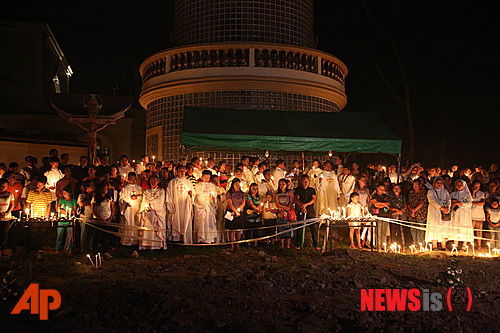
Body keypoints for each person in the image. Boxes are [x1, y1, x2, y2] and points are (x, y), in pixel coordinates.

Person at [166, 165, 195, 244]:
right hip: (176, 205)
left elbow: (193, 194)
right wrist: (171, 205)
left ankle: (185, 238)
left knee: (186, 220)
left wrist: (191, 194)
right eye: (180, 171)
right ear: (176, 172)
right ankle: (176, 238)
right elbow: (169, 195)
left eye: (183, 171)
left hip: (186, 205)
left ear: (186, 171)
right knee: (176, 220)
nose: (182, 173)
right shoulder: (172, 182)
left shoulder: (189, 182)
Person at [139, 175, 167, 250]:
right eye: (151, 180)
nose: (153, 182)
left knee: (158, 228)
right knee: (149, 227)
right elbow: (145, 201)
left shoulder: (161, 191)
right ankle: (148, 245)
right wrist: (146, 207)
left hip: (158, 213)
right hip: (149, 213)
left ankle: (158, 245)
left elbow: (160, 201)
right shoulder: (146, 191)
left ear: (158, 181)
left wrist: (150, 203)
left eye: (155, 180)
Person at [294, 175, 319, 250]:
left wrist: (306, 205)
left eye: (307, 181)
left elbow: (313, 199)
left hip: (310, 210)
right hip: (301, 209)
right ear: (301, 182)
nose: (305, 182)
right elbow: (296, 199)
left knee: (314, 227)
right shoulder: (298, 190)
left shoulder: (312, 190)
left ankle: (316, 244)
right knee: (300, 227)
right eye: (304, 181)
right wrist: (302, 206)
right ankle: (298, 244)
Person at [425, 177, 451, 250]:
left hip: (443, 212)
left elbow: (448, 200)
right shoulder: (431, 191)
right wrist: (440, 207)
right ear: (434, 183)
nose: (439, 184)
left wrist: (447, 208)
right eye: (437, 183)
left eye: (440, 183)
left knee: (444, 227)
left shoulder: (445, 191)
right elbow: (432, 201)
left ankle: (443, 245)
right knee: (434, 227)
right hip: (434, 211)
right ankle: (434, 245)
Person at [193, 171, 218, 244]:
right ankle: (200, 239)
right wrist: (206, 199)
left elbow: (214, 194)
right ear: (202, 176)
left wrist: (213, 198)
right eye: (205, 177)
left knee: (210, 222)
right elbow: (198, 195)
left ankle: (210, 239)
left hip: (210, 206)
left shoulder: (212, 185)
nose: (207, 179)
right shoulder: (198, 185)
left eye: (208, 177)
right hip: (202, 206)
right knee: (202, 222)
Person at [91, 181, 116, 253]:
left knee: (105, 237)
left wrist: (110, 218)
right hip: (98, 220)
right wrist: (101, 219)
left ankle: (105, 251)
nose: (107, 190)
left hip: (107, 219)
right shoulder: (95, 198)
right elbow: (94, 211)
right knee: (97, 236)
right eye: (105, 188)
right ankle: (95, 252)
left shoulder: (109, 198)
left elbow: (112, 208)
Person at [119, 172, 143, 246]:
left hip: (136, 208)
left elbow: (142, 197)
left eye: (134, 179)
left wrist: (137, 197)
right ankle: (127, 241)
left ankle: (136, 240)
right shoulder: (125, 188)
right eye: (131, 179)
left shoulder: (139, 188)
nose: (133, 181)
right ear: (128, 179)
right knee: (128, 223)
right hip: (128, 209)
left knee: (136, 222)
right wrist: (126, 202)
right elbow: (121, 198)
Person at [450, 179, 474, 250]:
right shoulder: (453, 194)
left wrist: (459, 203)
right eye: (457, 185)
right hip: (456, 213)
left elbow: (469, 204)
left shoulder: (467, 194)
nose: (459, 186)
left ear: (463, 186)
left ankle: (464, 245)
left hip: (464, 214)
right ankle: (455, 245)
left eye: (460, 185)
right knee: (456, 227)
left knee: (464, 227)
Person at [225, 178, 246, 251]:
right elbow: (230, 203)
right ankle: (231, 244)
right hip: (231, 212)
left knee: (238, 229)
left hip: (239, 212)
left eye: (238, 184)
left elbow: (243, 203)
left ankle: (237, 244)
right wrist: (234, 211)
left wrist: (237, 211)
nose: (237, 186)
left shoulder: (242, 193)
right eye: (236, 184)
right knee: (231, 229)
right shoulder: (229, 193)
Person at [55, 186, 77, 255]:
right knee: (59, 234)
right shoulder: (61, 200)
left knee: (69, 235)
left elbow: (74, 211)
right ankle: (57, 249)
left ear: (69, 193)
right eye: (63, 192)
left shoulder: (73, 200)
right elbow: (57, 209)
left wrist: (69, 212)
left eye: (65, 192)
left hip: (69, 220)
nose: (64, 194)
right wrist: (62, 211)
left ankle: (69, 249)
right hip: (61, 219)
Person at [407, 179, 428, 246]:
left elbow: (422, 202)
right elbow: (408, 203)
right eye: (414, 185)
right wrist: (412, 211)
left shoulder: (423, 193)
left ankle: (421, 244)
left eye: (417, 185)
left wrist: (414, 210)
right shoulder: (411, 193)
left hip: (420, 213)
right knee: (413, 229)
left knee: (420, 229)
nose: (415, 186)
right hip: (412, 214)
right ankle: (415, 243)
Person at [371, 182, 391, 249]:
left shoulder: (385, 196)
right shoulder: (374, 196)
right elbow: (376, 204)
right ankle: (378, 245)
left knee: (384, 231)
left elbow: (388, 203)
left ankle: (383, 245)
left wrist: (381, 204)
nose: (382, 191)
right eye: (380, 189)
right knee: (378, 231)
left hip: (385, 215)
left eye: (383, 189)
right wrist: (384, 204)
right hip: (378, 215)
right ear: (377, 188)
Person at [275, 179, 294, 248]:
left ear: (286, 185)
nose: (281, 186)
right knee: (281, 227)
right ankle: (282, 244)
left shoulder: (290, 192)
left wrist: (288, 207)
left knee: (288, 227)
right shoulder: (277, 194)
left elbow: (291, 201)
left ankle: (288, 244)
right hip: (281, 212)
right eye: (280, 184)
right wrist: (284, 207)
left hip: (288, 212)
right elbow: (277, 203)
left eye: (283, 184)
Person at [77, 180, 94, 252]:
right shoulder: (82, 195)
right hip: (84, 217)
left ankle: (90, 248)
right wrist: (91, 200)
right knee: (84, 234)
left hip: (91, 217)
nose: (93, 187)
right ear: (87, 187)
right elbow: (81, 203)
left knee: (91, 234)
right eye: (91, 185)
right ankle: (83, 249)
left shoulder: (94, 195)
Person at [211, 174, 227, 242]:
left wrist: (223, 195)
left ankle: (224, 238)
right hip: (216, 206)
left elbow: (225, 195)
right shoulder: (211, 187)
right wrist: (218, 196)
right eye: (214, 180)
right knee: (218, 221)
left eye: (217, 180)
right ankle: (218, 238)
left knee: (223, 221)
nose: (216, 181)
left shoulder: (221, 188)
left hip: (223, 205)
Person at [470, 180, 486, 250]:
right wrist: (473, 193)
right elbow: (469, 200)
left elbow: (482, 203)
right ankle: (471, 244)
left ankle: (479, 245)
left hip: (479, 214)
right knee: (471, 230)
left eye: (477, 187)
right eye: (474, 186)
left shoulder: (481, 193)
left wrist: (473, 203)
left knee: (479, 230)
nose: (475, 188)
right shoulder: (469, 193)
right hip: (471, 214)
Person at [0, 178, 15, 249]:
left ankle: (4, 249)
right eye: (1, 186)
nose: (2, 188)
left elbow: (12, 204)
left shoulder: (9, 194)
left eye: (4, 186)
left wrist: (7, 212)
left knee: (4, 234)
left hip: (6, 217)